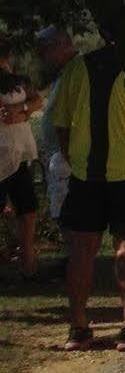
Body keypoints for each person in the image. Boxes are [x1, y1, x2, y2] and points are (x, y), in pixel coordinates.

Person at [49, 48, 125, 351]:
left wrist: (75, 160)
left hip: (86, 174)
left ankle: (78, 328)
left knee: (81, 248)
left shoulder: (77, 68)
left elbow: (61, 126)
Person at [0, 52, 45, 282]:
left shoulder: (18, 80)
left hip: (19, 154)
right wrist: (23, 110)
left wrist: (21, 111)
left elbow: (37, 100)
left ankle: (28, 265)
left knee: (27, 210)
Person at [35, 27, 76, 235]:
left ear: (60, 46)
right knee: (63, 216)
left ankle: (76, 264)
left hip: (65, 157)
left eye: (44, 51)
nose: (42, 58)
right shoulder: (64, 74)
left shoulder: (74, 73)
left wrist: (68, 156)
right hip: (60, 156)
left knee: (67, 217)